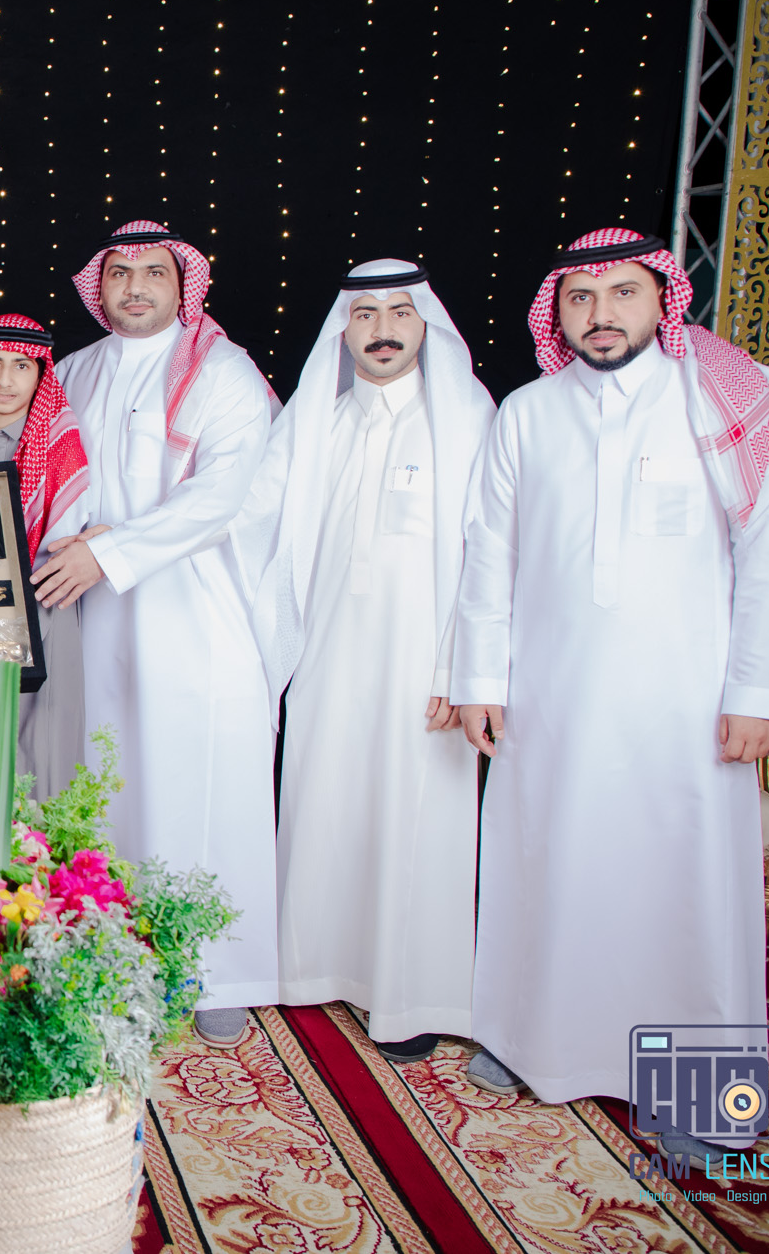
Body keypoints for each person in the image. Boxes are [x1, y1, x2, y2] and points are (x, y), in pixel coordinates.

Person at [452, 229, 769, 1127]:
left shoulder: (726, 397)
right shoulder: (527, 412)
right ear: (557, 312)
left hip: (686, 706)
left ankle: (700, 1091)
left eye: (622, 292)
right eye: (580, 297)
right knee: (548, 868)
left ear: (663, 298)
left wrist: (758, 693)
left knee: (687, 893)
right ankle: (531, 1042)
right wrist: (480, 677)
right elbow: (489, 555)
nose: (600, 313)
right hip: (552, 701)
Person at [237, 261, 495, 1062]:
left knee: (415, 817)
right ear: (344, 330)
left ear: (426, 325)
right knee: (325, 797)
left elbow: (489, 555)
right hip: (326, 654)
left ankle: (411, 991)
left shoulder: (466, 418)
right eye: (365, 315)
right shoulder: (318, 421)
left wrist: (461, 668)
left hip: (426, 669)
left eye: (400, 312)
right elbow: (253, 526)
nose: (382, 330)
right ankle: (313, 966)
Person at [35, 219, 279, 1048]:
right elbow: (47, 476)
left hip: (196, 615)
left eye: (153, 273)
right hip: (94, 617)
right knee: (110, 785)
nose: (135, 287)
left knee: (199, 786)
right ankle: (116, 956)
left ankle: (220, 974)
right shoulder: (74, 371)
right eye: (119, 273)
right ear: (98, 288)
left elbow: (218, 499)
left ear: (183, 287)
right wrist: (71, 543)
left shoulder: (223, 371)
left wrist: (107, 551)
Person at [0, 313, 91, 799]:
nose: (5, 380)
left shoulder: (59, 445)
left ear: (40, 375)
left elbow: (60, 550)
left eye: (21, 366)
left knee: (37, 760)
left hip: (42, 618)